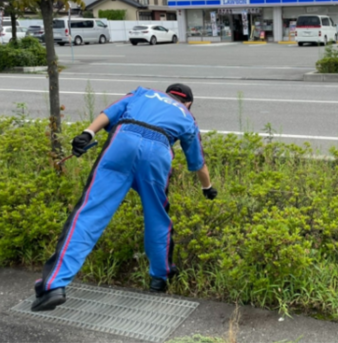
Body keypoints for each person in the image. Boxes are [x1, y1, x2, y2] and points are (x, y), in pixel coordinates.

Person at [32, 84, 218, 312]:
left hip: (122, 141)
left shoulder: (144, 93)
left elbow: (109, 112)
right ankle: (160, 277)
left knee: (90, 213)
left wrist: (87, 134)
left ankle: (54, 286)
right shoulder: (188, 117)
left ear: (167, 93)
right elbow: (198, 163)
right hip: (157, 153)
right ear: (187, 102)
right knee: (157, 216)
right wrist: (207, 188)